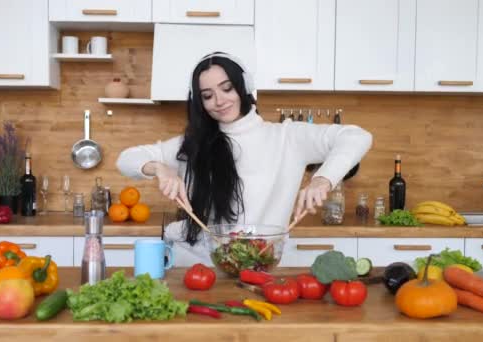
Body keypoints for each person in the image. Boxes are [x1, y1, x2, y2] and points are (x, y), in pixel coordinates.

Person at [116, 52, 372, 266]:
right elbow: (126, 158)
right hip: (195, 266)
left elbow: (357, 136)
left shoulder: (288, 137)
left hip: (260, 266)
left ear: (244, 87)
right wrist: (159, 168)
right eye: (207, 95)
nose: (219, 101)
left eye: (227, 88)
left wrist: (322, 180)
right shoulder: (193, 145)